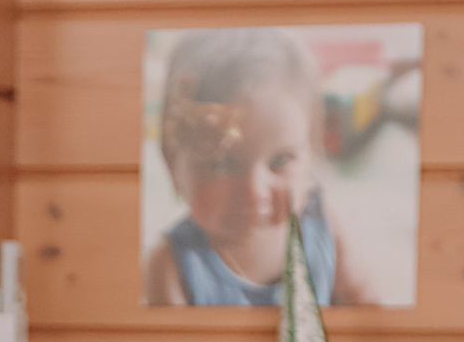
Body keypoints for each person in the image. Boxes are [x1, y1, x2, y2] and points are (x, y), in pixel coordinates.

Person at [141, 26, 382, 307]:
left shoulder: (321, 223)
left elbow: (368, 310)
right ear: (172, 167)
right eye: (222, 163)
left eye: (280, 160)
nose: (255, 192)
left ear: (310, 151)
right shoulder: (170, 266)